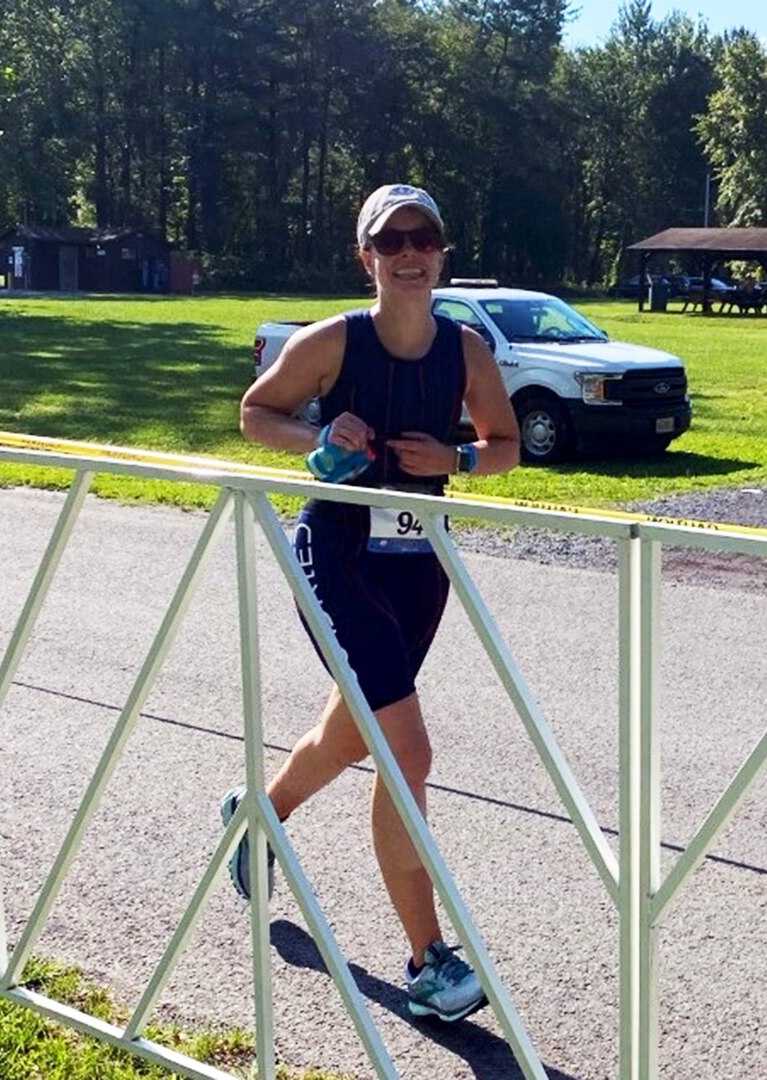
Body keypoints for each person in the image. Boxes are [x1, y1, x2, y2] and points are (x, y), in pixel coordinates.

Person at [234, 183, 520, 1022]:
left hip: (419, 562)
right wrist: (318, 442)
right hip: (341, 553)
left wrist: (458, 460)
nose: (407, 252)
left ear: (440, 251)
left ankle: (262, 813)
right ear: (366, 257)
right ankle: (430, 963)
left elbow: (503, 447)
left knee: (353, 729)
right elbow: (257, 414)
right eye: (388, 240)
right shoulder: (333, 341)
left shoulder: (464, 351)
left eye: (421, 236)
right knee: (405, 750)